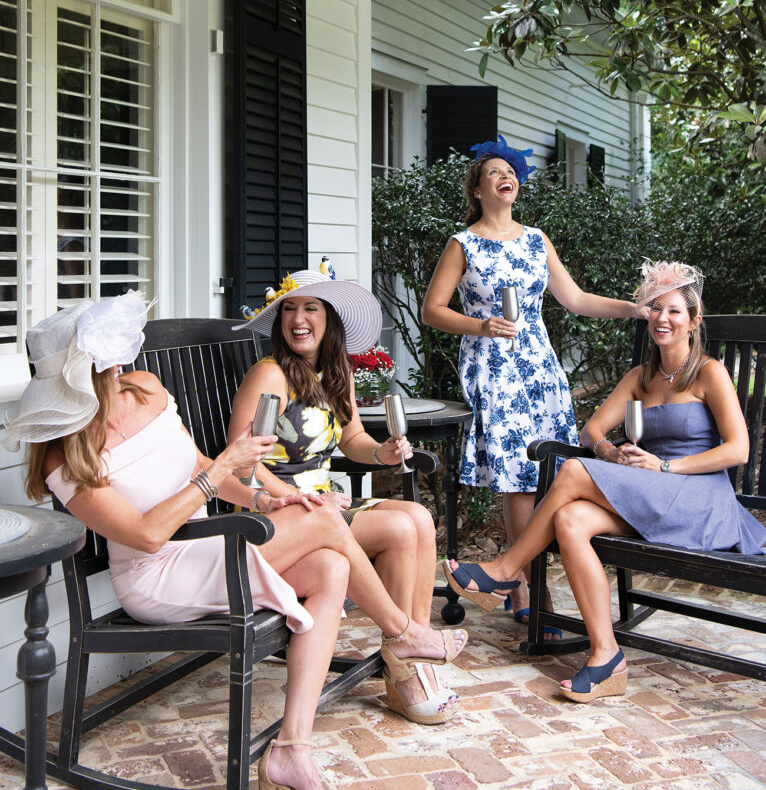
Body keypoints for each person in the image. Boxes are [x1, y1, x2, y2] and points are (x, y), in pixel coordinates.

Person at [1, 292, 466, 790]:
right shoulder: (67, 452)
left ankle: (292, 749)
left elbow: (198, 462)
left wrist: (267, 499)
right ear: (85, 371)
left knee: (331, 564)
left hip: (207, 547)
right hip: (159, 575)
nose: (124, 362)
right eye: (110, 358)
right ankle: (406, 634)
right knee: (323, 521)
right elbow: (150, 535)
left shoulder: (146, 389)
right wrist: (225, 468)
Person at [443, 260, 766, 701]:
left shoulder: (709, 373)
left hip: (699, 496)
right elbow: (590, 433)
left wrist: (665, 467)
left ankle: (505, 570)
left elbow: (738, 451)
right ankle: (606, 656)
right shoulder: (639, 378)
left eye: (673, 311)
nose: (662, 318)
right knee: (572, 519)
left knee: (573, 470)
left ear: (694, 322)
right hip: (652, 494)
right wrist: (613, 453)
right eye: (655, 309)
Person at [422, 134, 645, 630]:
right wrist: (480, 325)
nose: (506, 176)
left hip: (541, 369)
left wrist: (633, 309)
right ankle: (526, 590)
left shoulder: (536, 239)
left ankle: (519, 581)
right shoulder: (464, 244)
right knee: (518, 476)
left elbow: (577, 299)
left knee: (548, 472)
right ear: (477, 189)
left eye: (512, 172)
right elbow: (432, 311)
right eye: (493, 172)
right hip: (491, 366)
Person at [230, 269, 459, 725]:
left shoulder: (336, 373)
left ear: (330, 319)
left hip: (323, 502)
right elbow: (241, 463)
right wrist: (289, 496)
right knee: (398, 527)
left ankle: (408, 659)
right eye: (289, 310)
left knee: (419, 517)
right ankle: (409, 663)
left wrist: (382, 452)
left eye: (310, 308)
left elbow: (353, 439)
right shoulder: (270, 375)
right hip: (279, 515)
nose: (298, 319)